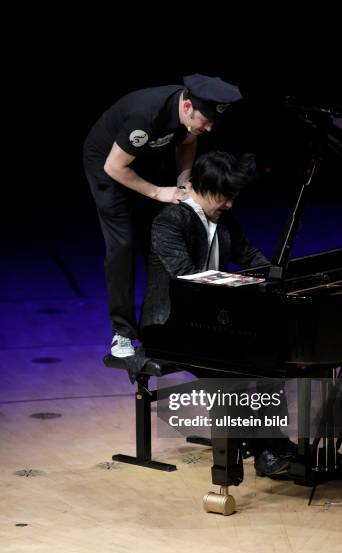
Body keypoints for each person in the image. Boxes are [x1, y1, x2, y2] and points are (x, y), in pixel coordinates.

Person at [140, 151, 296, 475]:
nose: (229, 205)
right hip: (170, 325)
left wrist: (276, 278)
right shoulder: (169, 221)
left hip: (209, 321)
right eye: (224, 197)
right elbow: (186, 277)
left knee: (273, 358)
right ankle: (263, 448)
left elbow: (249, 254)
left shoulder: (225, 219)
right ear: (202, 186)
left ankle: (274, 442)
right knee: (236, 368)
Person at [83, 74, 242, 358]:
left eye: (211, 123)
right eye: (204, 121)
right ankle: (122, 333)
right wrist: (157, 192)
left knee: (163, 233)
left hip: (145, 160)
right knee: (123, 245)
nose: (208, 128)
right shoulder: (147, 115)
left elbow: (187, 143)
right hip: (108, 164)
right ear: (187, 107)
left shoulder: (193, 119)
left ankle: (166, 323)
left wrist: (183, 182)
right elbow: (115, 167)